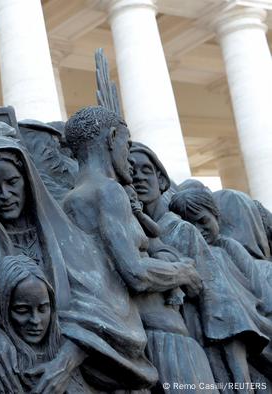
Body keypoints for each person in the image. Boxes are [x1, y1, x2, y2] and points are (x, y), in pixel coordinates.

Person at [0, 134, 158, 393]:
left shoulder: (67, 238)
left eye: (12, 182)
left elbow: (108, 313)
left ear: (27, 181)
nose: (4, 194)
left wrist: (64, 363)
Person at [61, 106, 210, 392]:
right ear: (112, 137)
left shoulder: (72, 199)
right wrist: (183, 272)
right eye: (126, 146)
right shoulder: (108, 191)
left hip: (142, 340)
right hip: (162, 343)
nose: (127, 157)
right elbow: (135, 273)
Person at [130, 142, 272, 387]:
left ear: (162, 181)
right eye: (132, 171)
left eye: (146, 170)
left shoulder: (182, 230)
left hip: (202, 343)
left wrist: (239, 378)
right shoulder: (133, 228)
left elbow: (219, 301)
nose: (139, 177)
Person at [170, 188, 272, 382]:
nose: (198, 231)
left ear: (216, 215)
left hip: (251, 319)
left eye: (202, 221)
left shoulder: (228, 247)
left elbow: (261, 293)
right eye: (190, 225)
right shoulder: (189, 253)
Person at [0, 255, 91, 393]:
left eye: (43, 309)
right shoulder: (4, 364)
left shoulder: (66, 345)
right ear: (3, 310)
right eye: (22, 310)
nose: (35, 321)